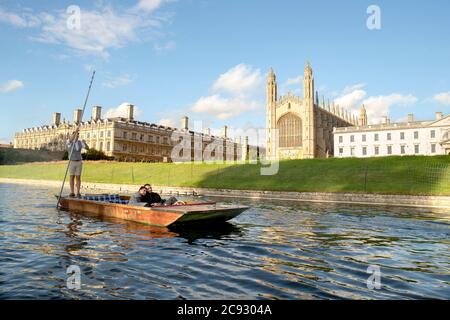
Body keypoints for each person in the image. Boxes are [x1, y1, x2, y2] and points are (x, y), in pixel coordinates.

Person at [67, 128, 89, 198]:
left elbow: (88, 148)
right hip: (71, 162)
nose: (77, 136)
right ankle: (72, 192)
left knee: (78, 177)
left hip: (79, 162)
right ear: (73, 135)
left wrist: (85, 143)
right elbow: (71, 139)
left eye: (77, 135)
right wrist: (75, 131)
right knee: (71, 177)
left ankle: (78, 192)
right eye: (75, 135)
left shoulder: (80, 142)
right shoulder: (69, 142)